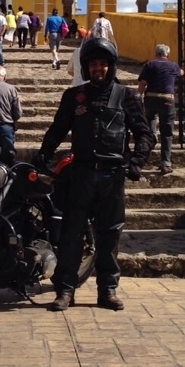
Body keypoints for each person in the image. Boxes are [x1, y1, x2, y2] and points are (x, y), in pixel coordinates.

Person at [34, 38, 154, 312]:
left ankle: (107, 290)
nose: (98, 68)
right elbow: (57, 130)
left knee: (109, 236)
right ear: (86, 68)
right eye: (93, 64)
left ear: (110, 66)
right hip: (81, 175)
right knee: (71, 235)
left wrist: (137, 161)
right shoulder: (74, 96)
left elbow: (145, 134)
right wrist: (44, 153)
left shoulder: (128, 96)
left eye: (102, 64)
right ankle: (65, 290)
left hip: (112, 177)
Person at [137, 44, 184, 174]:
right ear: (167, 54)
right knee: (167, 132)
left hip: (150, 98)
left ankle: (152, 136)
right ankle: (165, 163)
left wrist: (137, 96)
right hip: (167, 99)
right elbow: (180, 73)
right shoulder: (173, 65)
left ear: (156, 53)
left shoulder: (150, 64)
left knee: (149, 121)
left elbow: (142, 83)